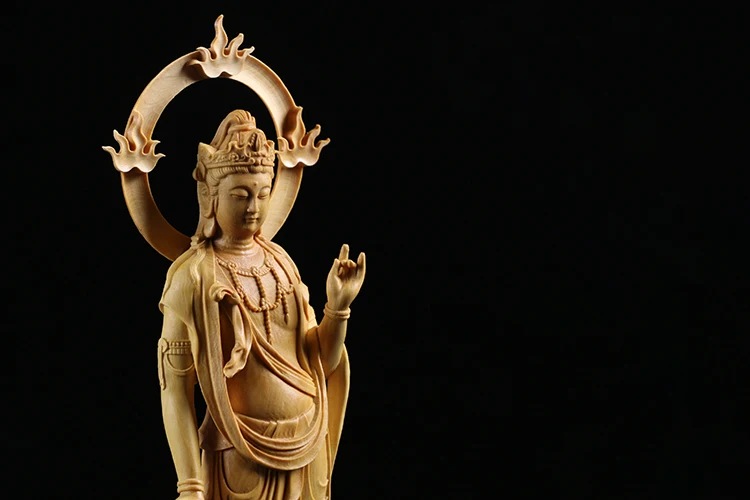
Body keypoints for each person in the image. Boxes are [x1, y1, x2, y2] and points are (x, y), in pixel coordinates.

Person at [157, 109, 365, 500]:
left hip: (307, 444)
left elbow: (322, 361)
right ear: (210, 197)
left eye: (263, 194)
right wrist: (190, 484)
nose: (253, 207)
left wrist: (338, 309)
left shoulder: (282, 262)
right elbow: (175, 391)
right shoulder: (192, 277)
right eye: (240, 195)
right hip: (239, 453)